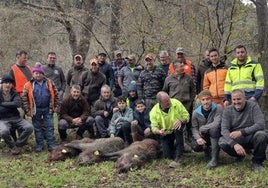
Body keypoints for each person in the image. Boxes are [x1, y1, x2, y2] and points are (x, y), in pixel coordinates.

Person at [219, 89, 268, 171]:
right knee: (222, 142)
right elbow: (224, 130)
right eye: (234, 99)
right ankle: (240, 155)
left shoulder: (253, 106)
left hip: (251, 136)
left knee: (262, 135)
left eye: (239, 99)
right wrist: (234, 144)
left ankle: (257, 161)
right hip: (236, 139)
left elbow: (260, 124)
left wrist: (242, 132)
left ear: (245, 98)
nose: (236, 102)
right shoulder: (227, 110)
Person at [22, 66, 59, 152]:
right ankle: (39, 145)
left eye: (40, 73)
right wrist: (27, 110)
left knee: (50, 127)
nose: (38, 75)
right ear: (33, 74)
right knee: (37, 128)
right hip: (35, 110)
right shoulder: (28, 85)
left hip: (48, 109)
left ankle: (51, 144)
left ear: (43, 74)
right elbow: (24, 98)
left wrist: (56, 106)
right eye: (36, 73)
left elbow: (56, 94)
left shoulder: (49, 82)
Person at [150, 91, 189, 168]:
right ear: (159, 102)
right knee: (167, 156)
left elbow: (187, 116)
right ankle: (180, 147)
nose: (169, 102)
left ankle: (179, 157)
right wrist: (159, 131)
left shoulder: (176, 103)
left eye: (169, 99)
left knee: (178, 128)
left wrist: (181, 120)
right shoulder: (153, 112)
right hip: (166, 133)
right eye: (166, 101)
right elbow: (154, 127)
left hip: (177, 129)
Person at [0, 75, 33, 155]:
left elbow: (17, 103)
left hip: (16, 118)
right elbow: (13, 105)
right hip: (3, 119)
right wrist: (11, 105)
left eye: (10, 83)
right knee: (3, 132)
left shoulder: (14, 93)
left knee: (29, 127)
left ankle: (18, 144)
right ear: (2, 84)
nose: (8, 85)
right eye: (6, 83)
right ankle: (12, 146)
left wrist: (2, 104)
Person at [191, 90, 222, 169]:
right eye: (203, 100)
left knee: (214, 130)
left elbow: (217, 123)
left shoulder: (218, 108)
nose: (205, 102)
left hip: (216, 134)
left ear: (211, 99)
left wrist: (202, 128)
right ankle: (206, 149)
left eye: (207, 99)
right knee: (195, 146)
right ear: (200, 101)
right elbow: (194, 127)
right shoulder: (195, 112)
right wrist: (198, 138)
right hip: (203, 135)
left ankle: (214, 158)